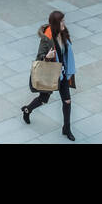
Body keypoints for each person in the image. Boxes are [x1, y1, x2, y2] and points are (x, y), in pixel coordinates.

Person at [21, 9, 76, 141]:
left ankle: (66, 128)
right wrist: (47, 56)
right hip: (51, 74)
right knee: (43, 99)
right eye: (62, 21)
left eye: (63, 20)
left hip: (62, 74)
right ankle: (27, 110)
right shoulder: (47, 39)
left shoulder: (63, 34)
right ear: (56, 23)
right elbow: (39, 58)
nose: (64, 23)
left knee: (67, 101)